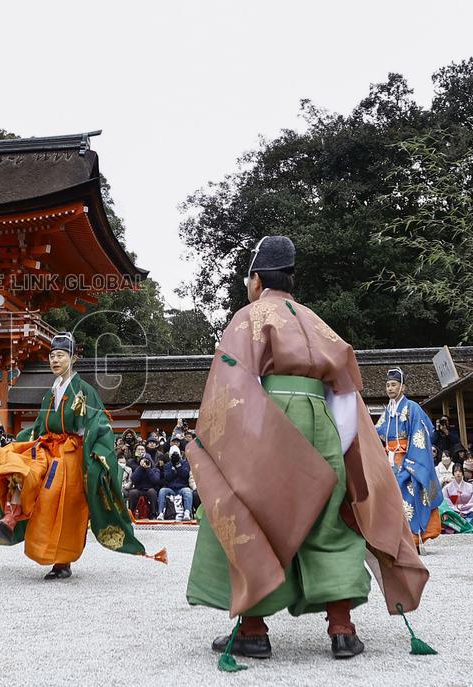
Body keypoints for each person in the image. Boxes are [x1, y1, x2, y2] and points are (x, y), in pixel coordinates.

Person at [186, 236, 428, 662]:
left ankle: (254, 630)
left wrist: (221, 451)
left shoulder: (249, 317)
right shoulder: (317, 322)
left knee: (257, 518)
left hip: (271, 421)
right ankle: (342, 630)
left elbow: (233, 385)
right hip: (326, 423)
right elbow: (345, 390)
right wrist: (344, 449)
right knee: (330, 521)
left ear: (257, 279)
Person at [0, 332, 158, 580]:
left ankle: (62, 561)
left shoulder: (84, 391)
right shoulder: (50, 392)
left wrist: (98, 453)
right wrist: (22, 440)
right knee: (17, 468)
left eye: (60, 355)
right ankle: (10, 517)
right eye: (51, 356)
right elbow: (41, 425)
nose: (55, 360)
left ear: (73, 359)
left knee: (56, 502)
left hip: (70, 453)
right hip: (48, 448)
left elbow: (99, 423)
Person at [375, 368, 443, 546]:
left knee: (411, 494)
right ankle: (393, 536)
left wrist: (411, 463)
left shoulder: (412, 407)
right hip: (390, 458)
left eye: (394, 385)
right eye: (388, 385)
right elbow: (377, 432)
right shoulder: (388, 411)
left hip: (410, 459)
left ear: (403, 387)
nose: (390, 388)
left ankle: (414, 535)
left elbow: (421, 434)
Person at [157, 446, 193, 520]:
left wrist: (178, 466)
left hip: (182, 488)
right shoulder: (167, 465)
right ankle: (161, 513)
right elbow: (167, 477)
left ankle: (187, 512)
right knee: (162, 491)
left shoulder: (185, 463)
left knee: (188, 491)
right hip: (171, 488)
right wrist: (173, 469)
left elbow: (185, 475)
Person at [127, 453, 161, 520]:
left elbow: (155, 480)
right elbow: (133, 479)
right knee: (132, 492)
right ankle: (131, 513)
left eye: (147, 461)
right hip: (139, 489)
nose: (145, 463)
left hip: (150, 489)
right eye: (143, 461)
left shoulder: (155, 470)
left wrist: (148, 469)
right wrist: (140, 467)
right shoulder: (138, 469)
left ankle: (153, 514)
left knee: (152, 492)